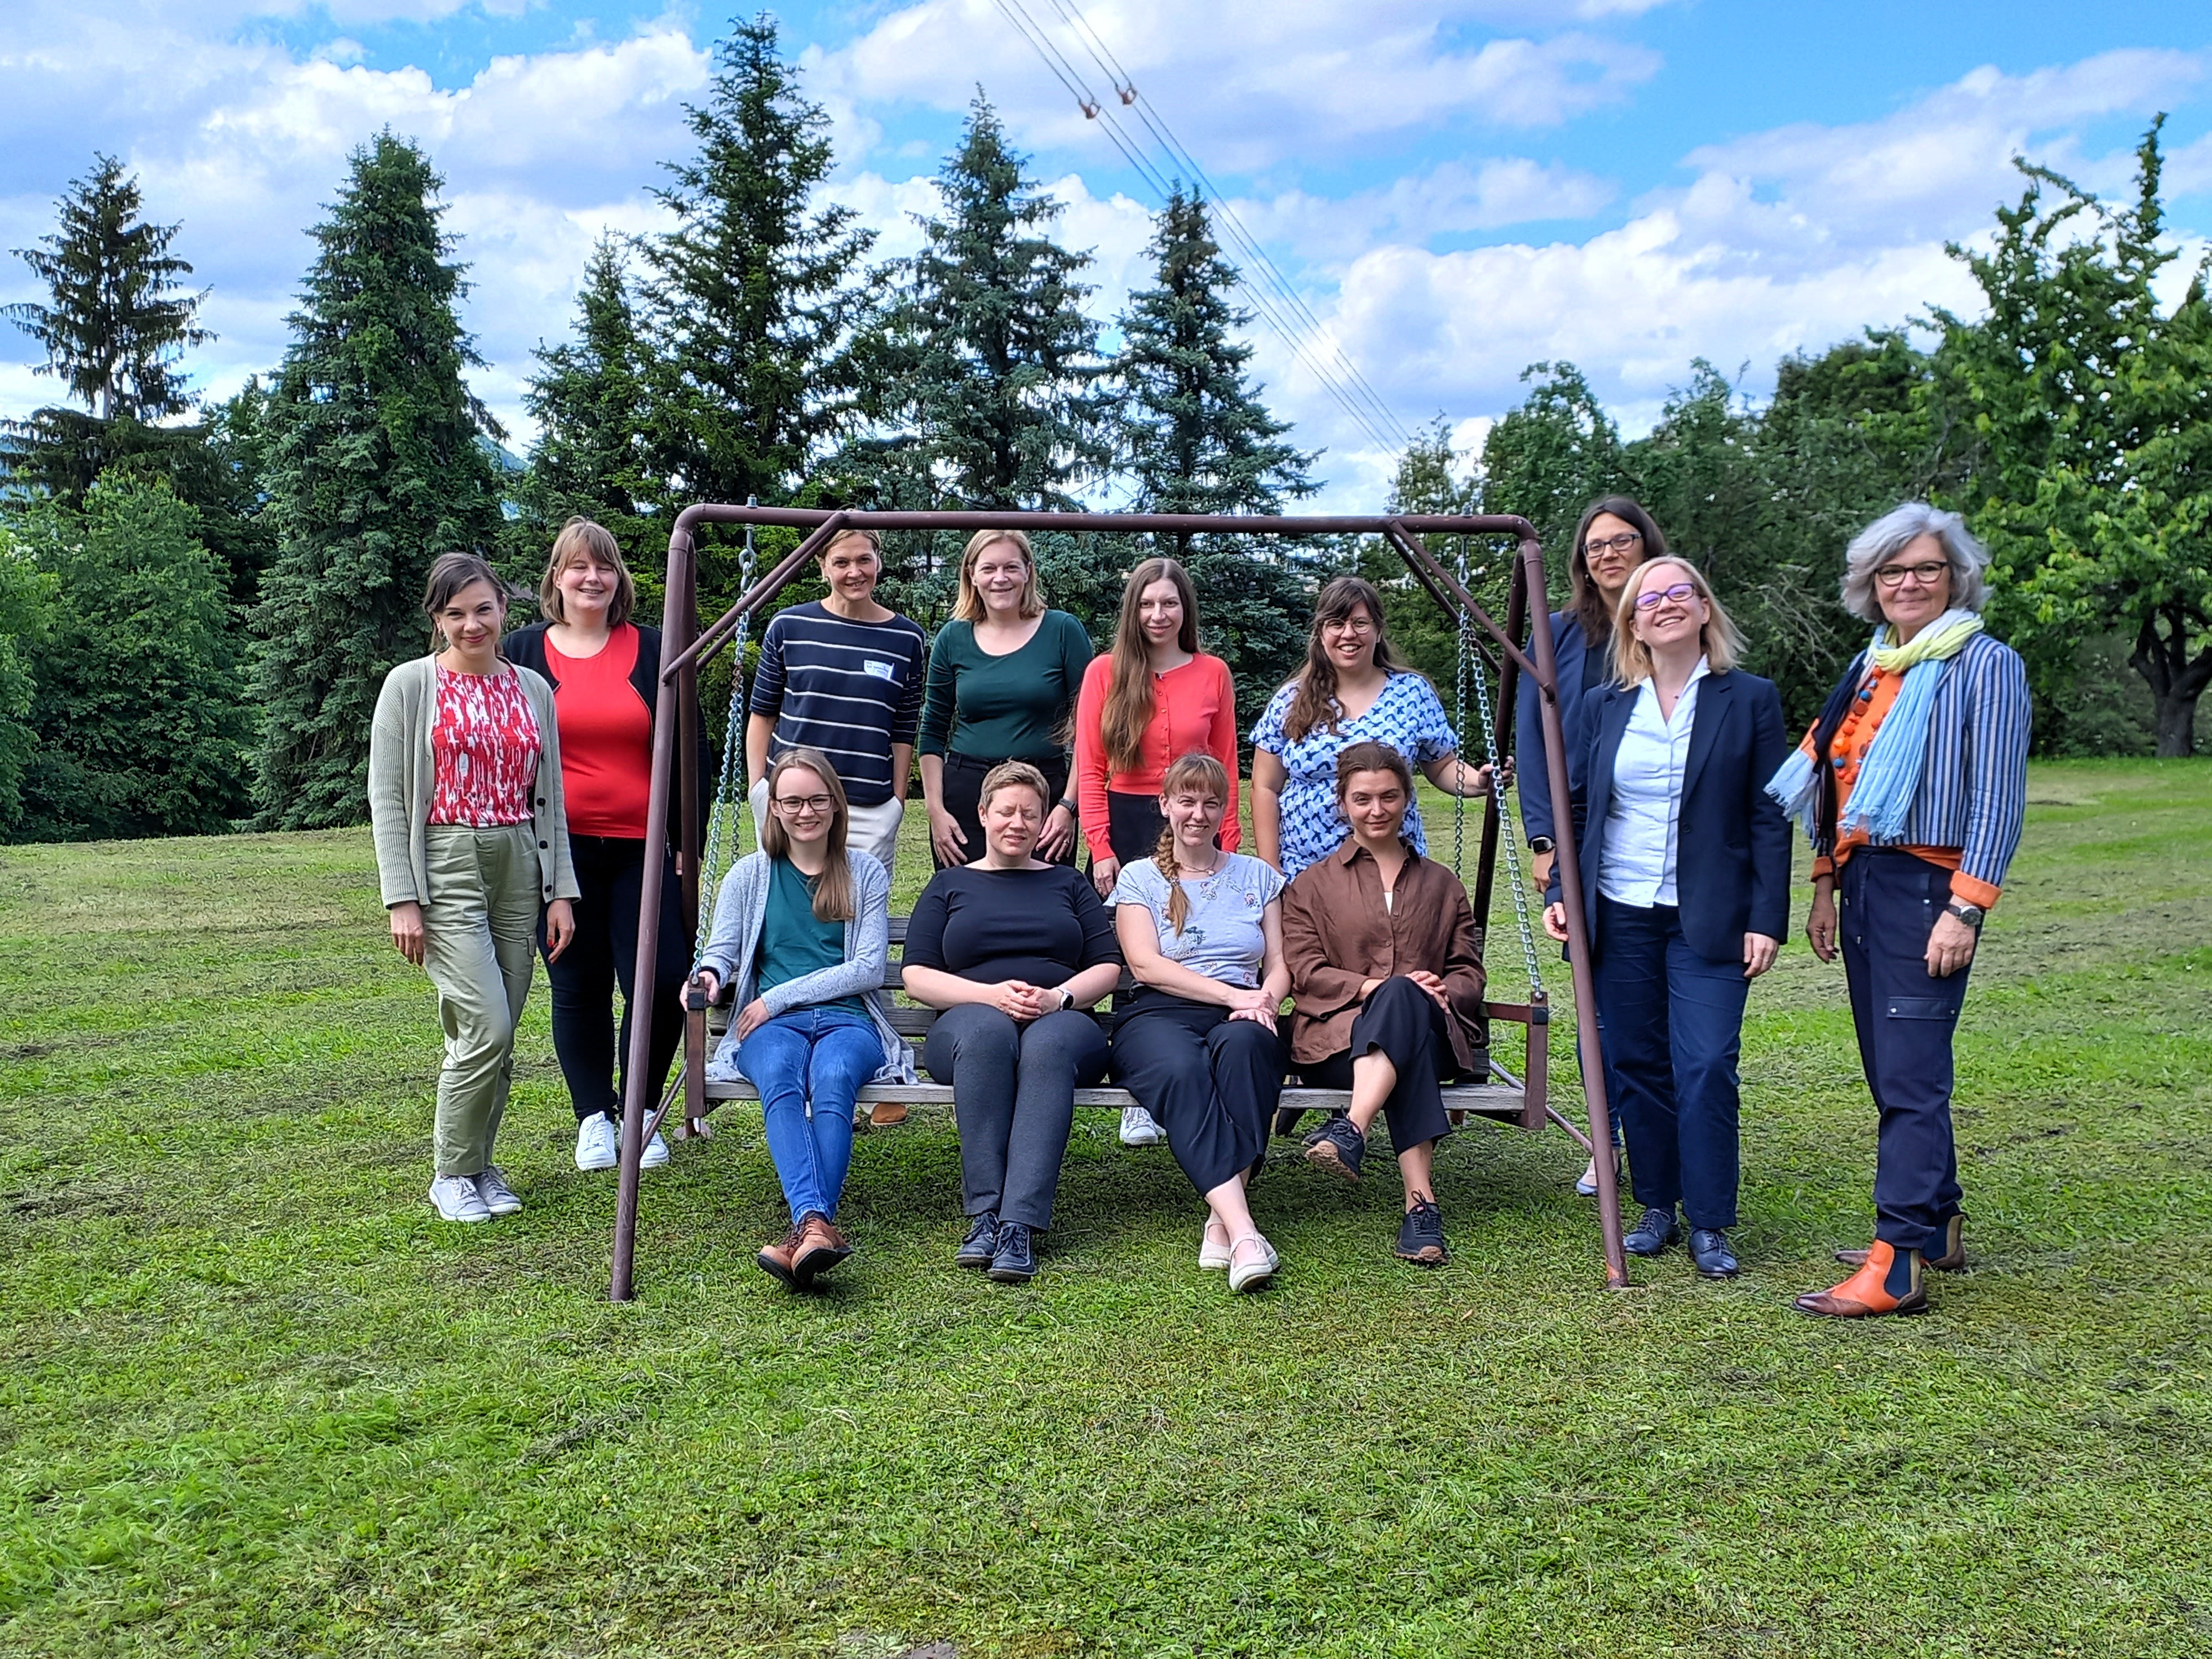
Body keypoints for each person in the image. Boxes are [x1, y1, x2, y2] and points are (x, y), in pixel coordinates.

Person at [1769, 504, 2029, 1319]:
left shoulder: (1985, 666)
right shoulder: (1874, 663)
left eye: (1926, 569)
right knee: (1891, 1068)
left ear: (1956, 579)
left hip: (1930, 887)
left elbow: (1997, 800)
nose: (1909, 583)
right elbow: (1833, 777)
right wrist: (1821, 880)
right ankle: (1939, 1223)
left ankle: (1897, 1263)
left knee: (1912, 1077)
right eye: (1892, 571)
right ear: (1870, 585)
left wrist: (1967, 908)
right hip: (1864, 880)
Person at [1541, 557, 1790, 1280]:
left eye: (1681, 592)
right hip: (1620, 914)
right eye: (1650, 598)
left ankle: (1711, 1220)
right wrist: (1562, 888)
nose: (1666, 604)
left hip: (1709, 915)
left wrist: (1766, 917)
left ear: (1705, 609)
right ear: (1633, 624)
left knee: (1708, 1062)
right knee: (1637, 1065)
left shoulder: (1750, 700)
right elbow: (1577, 806)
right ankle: (1656, 1204)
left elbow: (1769, 817)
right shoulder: (1604, 704)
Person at [369, 552, 580, 1224]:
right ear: (437, 619)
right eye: (455, 613)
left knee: (499, 1029)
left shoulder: (533, 689)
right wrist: (402, 898)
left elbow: (551, 800)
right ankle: (452, 1174)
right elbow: (389, 797)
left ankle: (482, 1165)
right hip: (445, 857)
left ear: (502, 610)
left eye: (482, 609)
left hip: (520, 860)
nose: (471, 625)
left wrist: (560, 891)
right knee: (485, 1024)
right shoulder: (409, 685)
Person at [507, 517, 706, 1176]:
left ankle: (641, 1113)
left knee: (661, 978)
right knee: (577, 982)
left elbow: (692, 752)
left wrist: (687, 843)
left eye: (604, 568)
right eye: (578, 567)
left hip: (643, 850)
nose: (592, 578)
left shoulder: (656, 649)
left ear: (618, 579)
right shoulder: (522, 652)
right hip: (556, 854)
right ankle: (594, 1117)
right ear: (556, 578)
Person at [693, 749, 917, 1290]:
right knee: (780, 1078)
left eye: (817, 800)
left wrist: (778, 997)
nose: (805, 811)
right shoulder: (749, 875)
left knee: (835, 1078)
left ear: (836, 807)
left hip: (847, 1021)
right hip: (769, 1028)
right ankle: (816, 1227)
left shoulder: (862, 871)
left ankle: (807, 1227)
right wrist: (707, 974)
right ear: (772, 808)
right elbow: (722, 950)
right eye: (791, 801)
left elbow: (865, 970)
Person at [901, 761, 1123, 1284]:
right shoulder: (948, 885)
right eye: (1006, 811)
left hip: (1063, 1020)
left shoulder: (1068, 883)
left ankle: (1018, 1224)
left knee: (1047, 1048)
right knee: (986, 1034)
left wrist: (1059, 997)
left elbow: (1108, 965)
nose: (1017, 823)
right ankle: (984, 1215)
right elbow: (916, 975)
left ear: (1044, 819)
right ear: (982, 814)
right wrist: (991, 997)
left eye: (1030, 813)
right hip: (967, 1019)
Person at [1281, 743, 1488, 1267]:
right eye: (1363, 799)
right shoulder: (1313, 885)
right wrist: (1373, 988)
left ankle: (1352, 1129)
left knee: (1409, 1008)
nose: (1377, 810)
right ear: (1343, 804)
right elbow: (1305, 971)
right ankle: (1422, 1208)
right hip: (1337, 1039)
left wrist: (1444, 991)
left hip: (1432, 1034)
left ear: (1407, 799)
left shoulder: (1442, 884)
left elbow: (1468, 969)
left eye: (1390, 797)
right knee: (1398, 1001)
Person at [1515, 497, 1664, 1196]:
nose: (1608, 555)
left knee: (1665, 999)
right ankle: (1608, 1141)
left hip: (1659, 831)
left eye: (1621, 542)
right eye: (1595, 546)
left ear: (1645, 547)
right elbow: (1533, 747)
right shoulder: (1557, 635)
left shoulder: (1672, 626)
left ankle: (1660, 1133)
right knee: (1597, 994)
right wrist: (1546, 843)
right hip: (1581, 834)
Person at [1073, 555, 1240, 1149]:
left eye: (1169, 603)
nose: (1158, 614)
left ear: (1184, 609)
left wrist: (1231, 840)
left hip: (1196, 816)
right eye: (1147, 604)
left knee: (1189, 933)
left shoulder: (1213, 672)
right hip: (1125, 816)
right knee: (1129, 948)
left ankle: (1193, 1059)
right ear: (1132, 611)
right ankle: (1137, 1088)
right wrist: (1099, 845)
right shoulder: (1104, 672)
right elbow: (1090, 768)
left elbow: (1226, 766)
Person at [1108, 753, 1288, 1294]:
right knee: (1183, 1070)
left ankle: (1219, 1220)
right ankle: (1246, 1231)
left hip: (1241, 1013)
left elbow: (1280, 963)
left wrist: (1266, 1001)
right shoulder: (1140, 877)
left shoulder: (1258, 876)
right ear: (1164, 805)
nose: (1198, 813)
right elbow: (1144, 965)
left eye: (1211, 802)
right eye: (1186, 800)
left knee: (1247, 1051)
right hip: (1156, 1013)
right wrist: (1238, 994)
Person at [1250, 575, 1498, 884]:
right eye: (1336, 624)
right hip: (1307, 875)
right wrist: (1271, 867)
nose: (1348, 634)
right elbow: (1264, 787)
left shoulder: (1411, 693)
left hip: (1394, 873)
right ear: (1321, 633)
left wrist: (1478, 781)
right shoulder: (1292, 699)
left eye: (1360, 623)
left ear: (1378, 630)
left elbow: (1443, 764)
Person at [745, 528, 927, 884]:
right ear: (823, 567)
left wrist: (897, 802)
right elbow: (763, 714)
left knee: (857, 917)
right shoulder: (789, 626)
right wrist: (759, 789)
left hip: (868, 807)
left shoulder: (908, 638)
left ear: (879, 561)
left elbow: (904, 730)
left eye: (864, 560)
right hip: (792, 802)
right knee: (788, 915)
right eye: (841, 562)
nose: (854, 572)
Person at [917, 529, 1094, 872]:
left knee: (1044, 904)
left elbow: (1090, 726)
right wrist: (936, 811)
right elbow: (933, 729)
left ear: (1028, 571)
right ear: (972, 574)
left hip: (1044, 793)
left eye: (1011, 567)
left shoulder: (1062, 631)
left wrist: (1068, 806)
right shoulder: (952, 638)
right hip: (966, 794)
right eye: (989, 569)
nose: (1000, 579)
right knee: (967, 905)